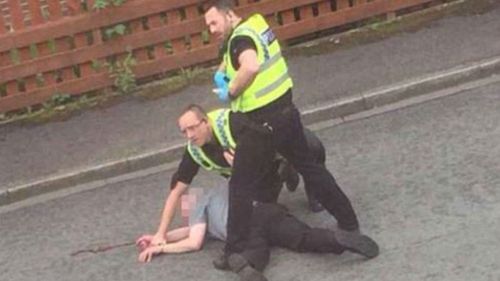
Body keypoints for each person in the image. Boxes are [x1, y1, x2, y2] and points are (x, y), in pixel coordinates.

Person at [202, 0, 362, 258]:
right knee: (310, 168)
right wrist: (221, 72)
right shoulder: (255, 25)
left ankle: (234, 249)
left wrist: (231, 90)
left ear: (229, 15)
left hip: (260, 125)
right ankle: (349, 221)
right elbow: (238, 58)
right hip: (286, 113)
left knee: (240, 187)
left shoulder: (239, 42)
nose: (211, 29)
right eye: (207, 25)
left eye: (214, 22)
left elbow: (251, 65)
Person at [136, 104, 324, 251]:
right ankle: (284, 172)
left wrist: (247, 161)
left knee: (312, 149)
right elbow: (176, 192)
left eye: (192, 128)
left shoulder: (230, 123)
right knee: (262, 213)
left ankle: (309, 185)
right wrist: (160, 234)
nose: (189, 136)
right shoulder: (193, 151)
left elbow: (266, 137)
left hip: (271, 147)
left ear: (205, 122)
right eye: (184, 132)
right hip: (256, 177)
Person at [137, 185, 379, 281]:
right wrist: (161, 236)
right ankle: (336, 239)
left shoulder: (200, 204)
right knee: (304, 237)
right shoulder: (222, 193)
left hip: (246, 225)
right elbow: (191, 231)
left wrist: (160, 248)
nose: (184, 211)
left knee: (255, 250)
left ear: (192, 201)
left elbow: (194, 241)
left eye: (184, 207)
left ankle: (246, 265)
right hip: (266, 211)